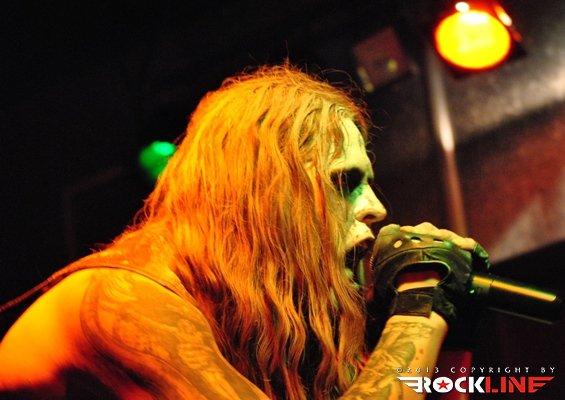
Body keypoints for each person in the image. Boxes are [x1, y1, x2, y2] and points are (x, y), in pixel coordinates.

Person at [0, 65, 482, 399]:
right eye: (344, 182)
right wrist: (418, 310)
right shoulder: (120, 302)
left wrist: (448, 332)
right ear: (269, 196)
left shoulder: (246, 319)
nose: (376, 208)